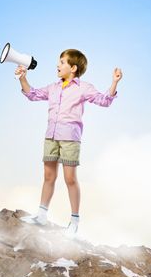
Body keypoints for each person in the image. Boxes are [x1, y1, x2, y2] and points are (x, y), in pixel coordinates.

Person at [16, 49, 122, 236]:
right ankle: (41, 215)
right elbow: (32, 94)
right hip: (51, 136)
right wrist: (22, 78)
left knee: (70, 179)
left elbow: (104, 101)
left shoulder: (84, 87)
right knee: (49, 177)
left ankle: (74, 221)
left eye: (62, 62)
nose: (58, 65)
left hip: (70, 139)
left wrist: (114, 83)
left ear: (73, 68)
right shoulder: (53, 87)